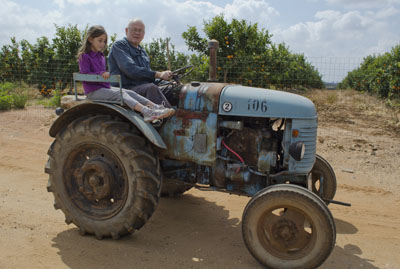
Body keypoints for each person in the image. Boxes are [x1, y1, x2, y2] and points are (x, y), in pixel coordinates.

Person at [77, 25, 174, 122]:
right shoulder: (84, 56)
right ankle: (146, 112)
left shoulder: (101, 56)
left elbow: (104, 75)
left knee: (130, 92)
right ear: (90, 39)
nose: (102, 44)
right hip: (93, 91)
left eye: (104, 41)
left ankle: (156, 107)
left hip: (104, 87)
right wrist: (101, 73)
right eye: (100, 40)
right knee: (121, 94)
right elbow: (85, 75)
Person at [108, 19, 173, 107]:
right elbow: (130, 69)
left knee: (176, 89)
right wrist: (158, 74)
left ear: (143, 34)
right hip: (125, 89)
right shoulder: (119, 46)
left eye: (140, 30)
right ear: (126, 31)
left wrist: (169, 83)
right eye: (134, 30)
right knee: (151, 88)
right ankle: (166, 118)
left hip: (142, 88)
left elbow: (149, 77)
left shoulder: (142, 52)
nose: (137, 33)